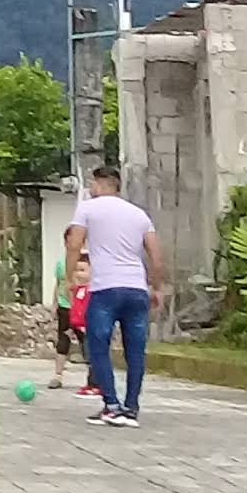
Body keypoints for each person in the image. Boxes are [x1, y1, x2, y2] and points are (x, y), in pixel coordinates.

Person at [64, 166, 164, 428]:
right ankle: (131, 408)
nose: (91, 189)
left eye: (92, 184)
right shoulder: (138, 214)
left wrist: (68, 276)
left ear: (99, 184)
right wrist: (157, 287)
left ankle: (110, 405)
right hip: (136, 289)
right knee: (135, 351)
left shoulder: (88, 208)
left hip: (105, 288)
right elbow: (154, 252)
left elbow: (75, 243)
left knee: (98, 345)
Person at [59, 254, 96, 396]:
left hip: (90, 329)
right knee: (87, 357)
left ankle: (97, 384)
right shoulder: (77, 290)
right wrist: (71, 327)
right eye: (76, 270)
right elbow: (75, 310)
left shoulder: (90, 291)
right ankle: (91, 383)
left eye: (82, 270)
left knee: (93, 357)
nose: (78, 274)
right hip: (79, 328)